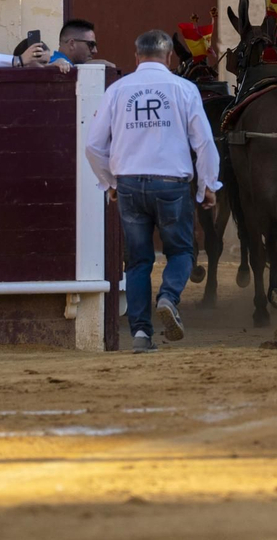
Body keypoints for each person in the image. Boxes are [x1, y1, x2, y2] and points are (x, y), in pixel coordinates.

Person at [85, 28, 221, 353]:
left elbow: (93, 145)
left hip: (129, 184)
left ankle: (141, 335)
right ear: (170, 56)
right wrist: (208, 187)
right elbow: (204, 143)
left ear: (136, 56)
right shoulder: (184, 89)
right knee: (181, 251)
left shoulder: (118, 90)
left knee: (137, 261)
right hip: (171, 184)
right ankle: (168, 297)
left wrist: (110, 182)